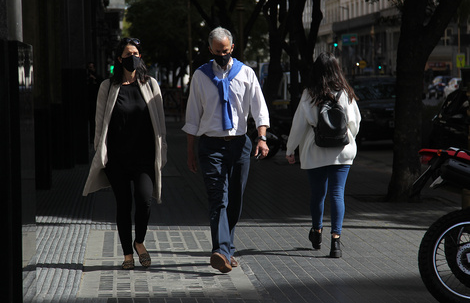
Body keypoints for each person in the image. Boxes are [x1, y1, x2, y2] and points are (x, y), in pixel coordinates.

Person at [182, 27, 270, 273]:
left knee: (235, 201)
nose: (222, 54)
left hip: (240, 145)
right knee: (217, 198)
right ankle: (220, 250)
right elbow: (192, 117)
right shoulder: (200, 76)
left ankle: (227, 248)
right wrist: (190, 151)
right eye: (217, 51)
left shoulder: (247, 74)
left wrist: (262, 138)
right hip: (211, 146)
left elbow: (259, 109)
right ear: (210, 50)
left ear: (232, 48)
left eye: (226, 50)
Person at [83, 38, 167, 270]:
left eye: (137, 53)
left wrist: (163, 150)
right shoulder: (107, 87)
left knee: (144, 201)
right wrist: (100, 152)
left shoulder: (151, 84)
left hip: (144, 158)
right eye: (129, 53)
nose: (134, 57)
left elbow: (160, 123)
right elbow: (100, 123)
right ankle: (127, 254)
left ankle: (139, 241)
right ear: (119, 59)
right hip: (117, 159)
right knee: (123, 205)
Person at [285, 52, 360, 258]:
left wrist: (290, 149)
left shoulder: (309, 93)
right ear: (337, 69)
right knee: (337, 194)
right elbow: (355, 123)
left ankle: (317, 232)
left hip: (315, 150)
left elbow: (299, 125)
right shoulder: (345, 92)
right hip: (342, 151)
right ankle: (336, 242)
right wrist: (345, 137)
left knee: (318, 194)